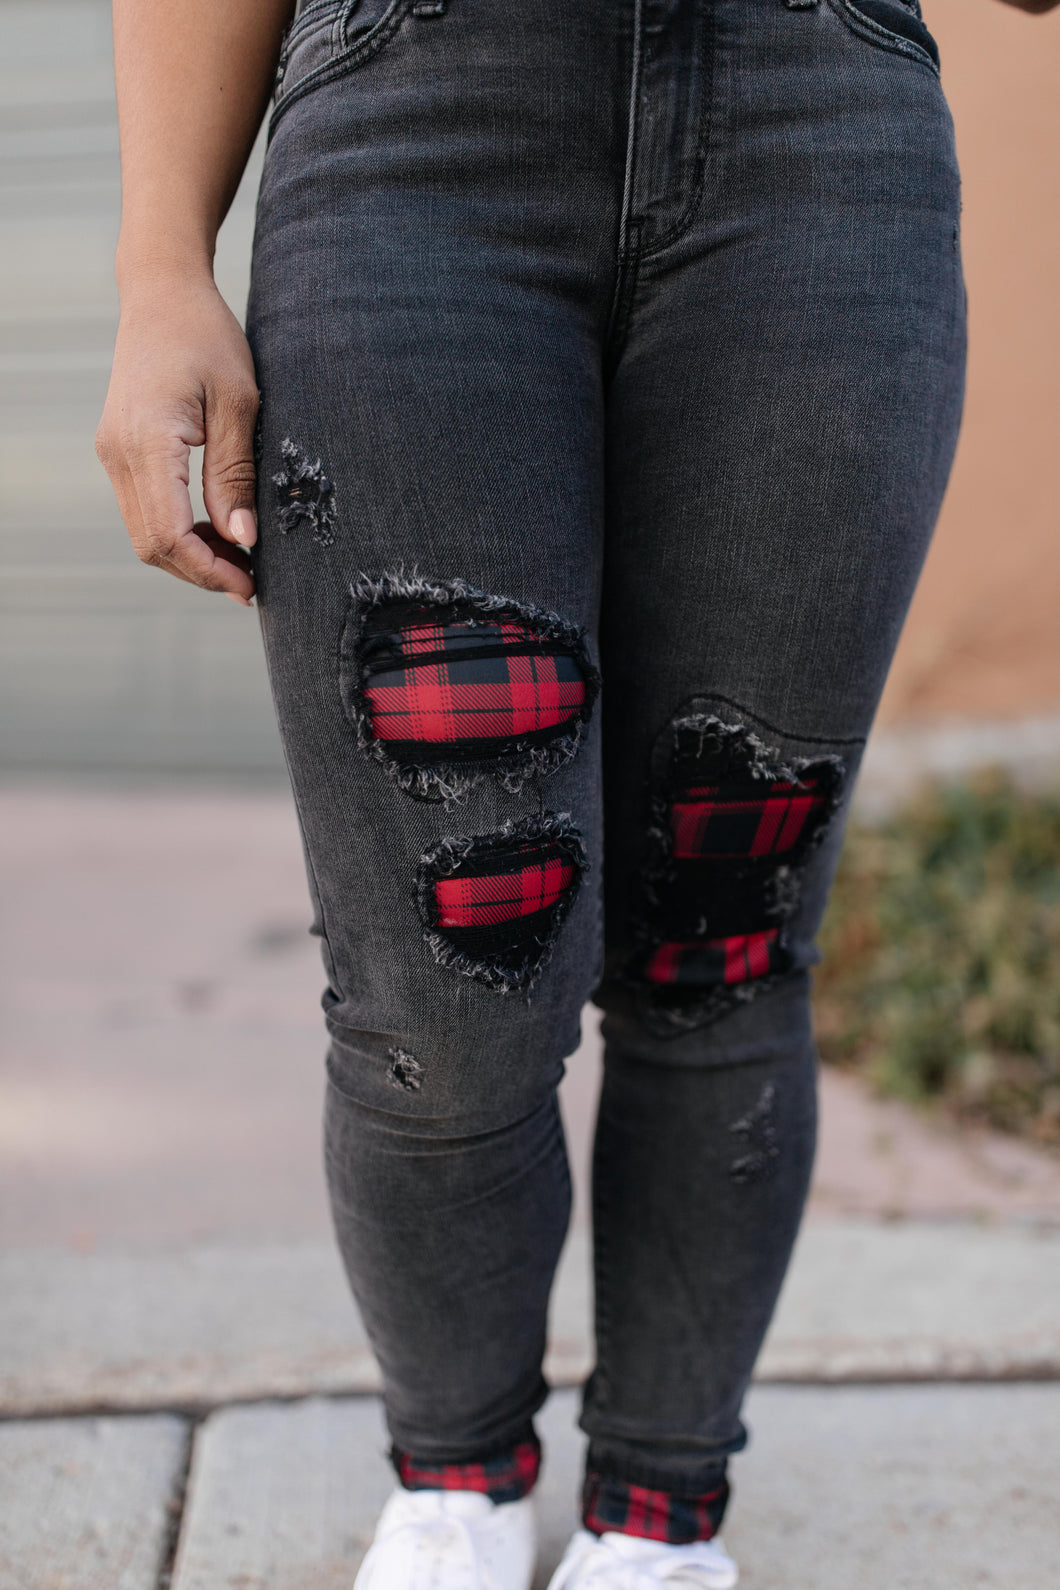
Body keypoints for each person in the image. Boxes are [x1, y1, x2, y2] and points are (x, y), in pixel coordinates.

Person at [96, 1, 1058, 1585]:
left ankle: (659, 1522)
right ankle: (458, 1483)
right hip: (417, 133)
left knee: (722, 934)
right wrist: (157, 267)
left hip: (820, 138)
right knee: (447, 977)